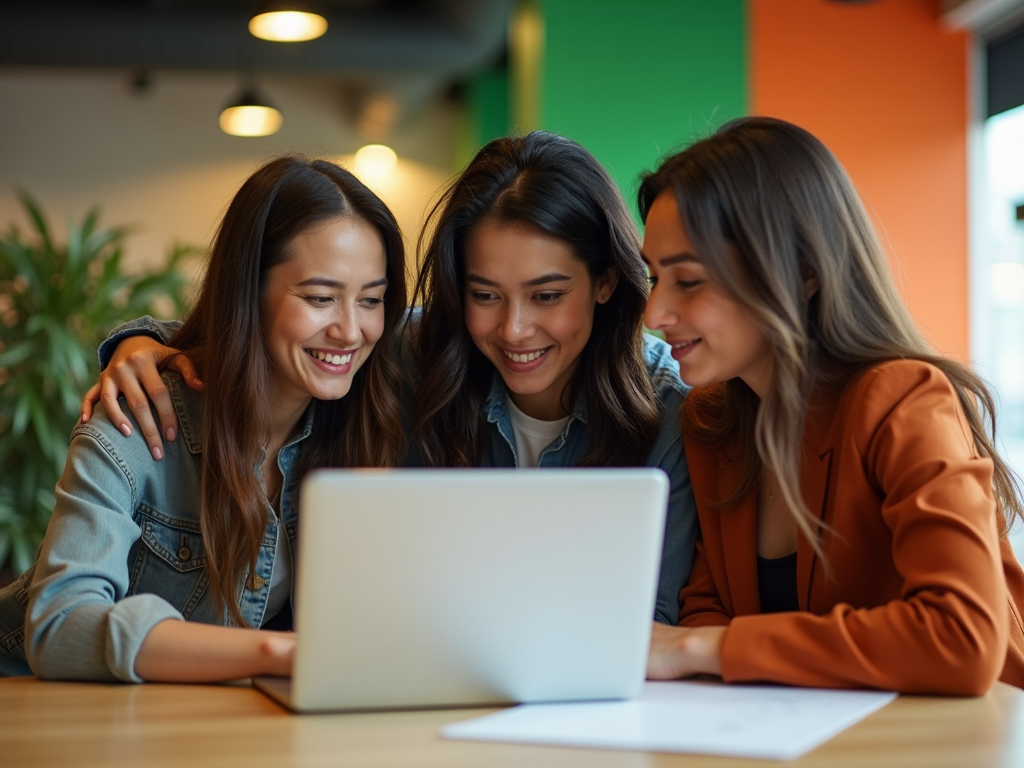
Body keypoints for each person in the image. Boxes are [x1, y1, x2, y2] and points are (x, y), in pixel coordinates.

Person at [76, 132, 698, 625]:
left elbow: (655, 618)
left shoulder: (668, 408)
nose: (513, 329)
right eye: (485, 294)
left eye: (547, 295)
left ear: (607, 281)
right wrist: (142, 343)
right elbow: (273, 338)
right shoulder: (419, 353)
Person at [641, 116, 1024, 694]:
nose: (655, 315)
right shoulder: (714, 421)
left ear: (803, 273)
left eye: (688, 282)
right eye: (653, 279)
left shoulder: (901, 399)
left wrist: (708, 647)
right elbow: (706, 606)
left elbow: (961, 637)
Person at [0, 156, 407, 680]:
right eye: (321, 298)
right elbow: (60, 625)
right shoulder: (139, 418)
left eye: (371, 299)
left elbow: (469, 329)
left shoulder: (363, 412)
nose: (351, 331)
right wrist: (277, 654)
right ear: (248, 290)